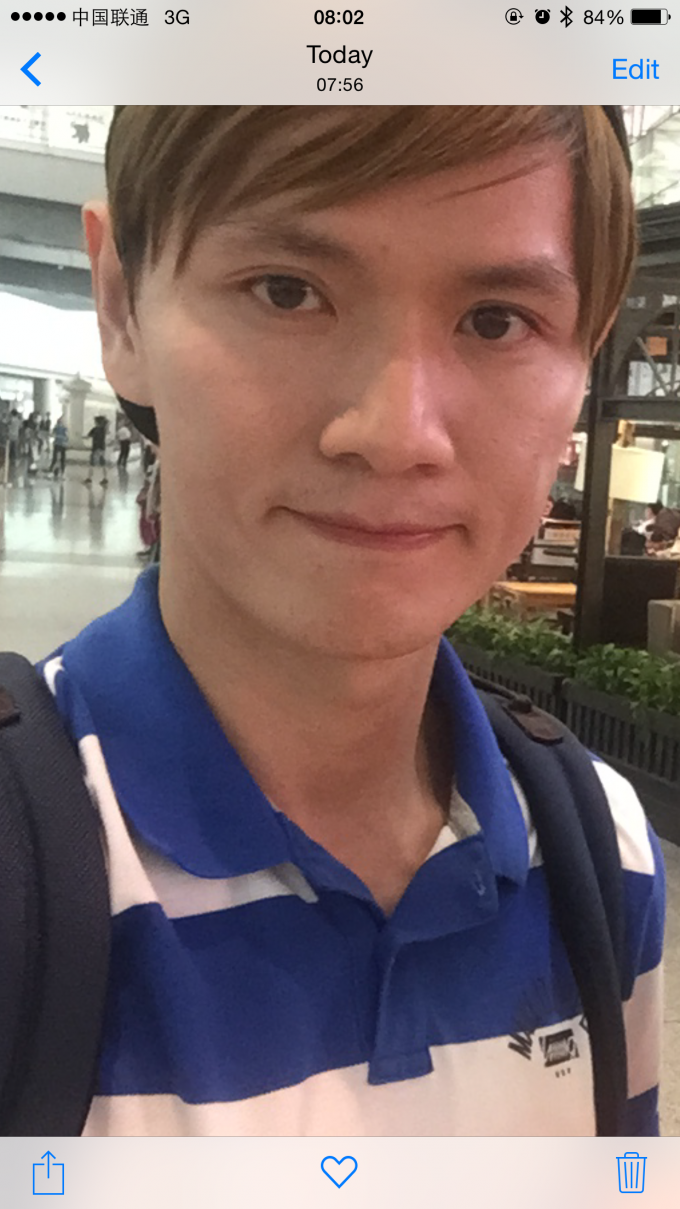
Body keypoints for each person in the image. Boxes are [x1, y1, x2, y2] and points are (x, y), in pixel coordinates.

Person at [36, 106, 663, 1138]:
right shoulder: (33, 873)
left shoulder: (599, 852)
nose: (396, 431)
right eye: (287, 291)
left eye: (495, 319)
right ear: (121, 308)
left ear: (582, 365)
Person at [84, 415, 109, 486]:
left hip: (95, 448)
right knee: (103, 463)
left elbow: (88, 436)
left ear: (97, 422)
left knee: (92, 464)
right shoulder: (103, 430)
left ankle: (89, 478)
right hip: (102, 448)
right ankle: (105, 478)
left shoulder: (95, 429)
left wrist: (83, 437)